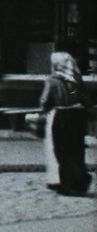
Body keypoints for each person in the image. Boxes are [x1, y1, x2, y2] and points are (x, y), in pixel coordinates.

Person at [39, 51, 91, 196]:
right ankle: (80, 181)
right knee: (77, 150)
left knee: (62, 151)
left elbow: (45, 101)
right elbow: (86, 100)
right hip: (77, 117)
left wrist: (44, 109)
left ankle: (67, 184)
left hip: (62, 117)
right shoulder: (76, 79)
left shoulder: (53, 80)